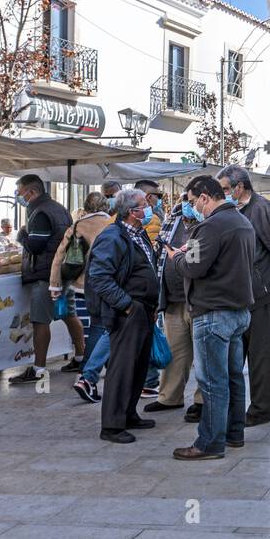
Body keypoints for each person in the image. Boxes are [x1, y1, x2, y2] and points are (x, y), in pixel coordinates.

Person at [171, 175, 255, 460]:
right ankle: (234, 433)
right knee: (233, 377)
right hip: (238, 312)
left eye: (194, 202)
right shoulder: (242, 222)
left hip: (213, 313)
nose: (193, 207)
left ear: (205, 197)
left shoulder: (210, 226)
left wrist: (176, 258)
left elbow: (192, 267)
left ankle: (209, 443)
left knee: (211, 382)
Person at [218, 164, 270, 427]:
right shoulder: (233, 210)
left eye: (226, 189)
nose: (223, 193)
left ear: (240, 187)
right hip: (236, 294)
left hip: (259, 294)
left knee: (259, 354)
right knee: (234, 354)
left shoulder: (262, 210)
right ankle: (232, 407)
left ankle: (260, 410)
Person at [86, 188, 159, 444]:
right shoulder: (112, 236)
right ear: (131, 211)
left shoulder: (138, 233)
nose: (148, 208)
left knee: (138, 366)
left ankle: (128, 413)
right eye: (143, 205)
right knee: (122, 367)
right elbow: (99, 277)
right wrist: (126, 305)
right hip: (128, 311)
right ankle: (112, 424)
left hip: (145, 310)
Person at [8, 174, 72, 384]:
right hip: (62, 270)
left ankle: (38, 368)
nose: (19, 197)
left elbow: (36, 245)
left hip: (45, 273)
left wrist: (22, 236)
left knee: (40, 320)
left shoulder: (40, 212)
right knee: (68, 314)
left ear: (32, 192)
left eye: (20, 193)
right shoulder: (59, 208)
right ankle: (80, 356)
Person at [145, 198, 203, 419]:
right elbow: (159, 254)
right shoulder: (172, 220)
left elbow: (197, 262)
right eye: (186, 199)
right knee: (175, 353)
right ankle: (169, 397)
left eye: (193, 200)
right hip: (172, 299)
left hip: (197, 300)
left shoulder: (206, 224)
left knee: (202, 355)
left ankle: (202, 400)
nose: (189, 204)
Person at [53, 192, 114, 403]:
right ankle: (90, 374)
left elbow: (60, 255)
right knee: (105, 329)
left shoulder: (78, 225)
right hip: (109, 285)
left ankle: (88, 373)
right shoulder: (113, 224)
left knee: (94, 329)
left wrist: (55, 284)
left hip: (81, 285)